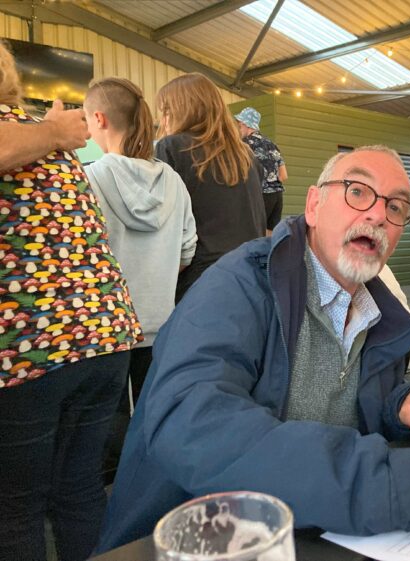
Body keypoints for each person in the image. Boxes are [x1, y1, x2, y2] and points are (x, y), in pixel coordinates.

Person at [96, 146, 410, 553]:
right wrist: (380, 484)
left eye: (396, 206)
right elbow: (190, 424)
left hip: (309, 537)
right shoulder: (238, 285)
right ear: (313, 205)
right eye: (358, 191)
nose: (378, 215)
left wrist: (406, 400)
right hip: (187, 542)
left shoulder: (379, 310)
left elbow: (351, 401)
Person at [0, 43, 142, 561]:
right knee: (78, 490)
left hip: (30, 347)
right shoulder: (53, 139)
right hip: (104, 334)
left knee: (16, 510)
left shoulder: (32, 136)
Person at [83, 77, 197, 403]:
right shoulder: (173, 181)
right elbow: (187, 251)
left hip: (106, 330)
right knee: (152, 416)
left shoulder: (88, 179)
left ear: (99, 119)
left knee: (110, 422)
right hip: (160, 325)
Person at [155, 73, 266, 302]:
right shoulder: (246, 156)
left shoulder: (172, 147)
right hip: (250, 276)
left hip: (199, 280)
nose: (163, 120)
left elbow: (163, 224)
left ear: (180, 110)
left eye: (166, 111)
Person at [234, 106, 288, 235]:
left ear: (246, 125)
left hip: (259, 196)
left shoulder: (244, 145)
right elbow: (283, 176)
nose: (239, 130)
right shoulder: (271, 144)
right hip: (277, 197)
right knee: (269, 237)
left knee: (251, 236)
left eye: (240, 126)